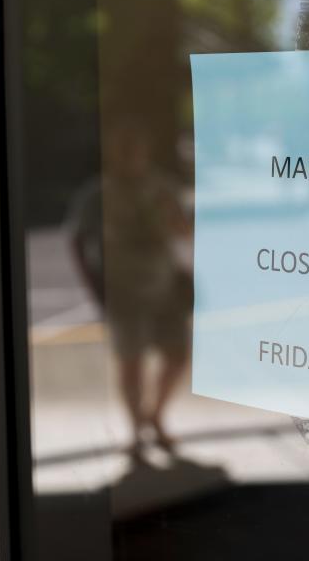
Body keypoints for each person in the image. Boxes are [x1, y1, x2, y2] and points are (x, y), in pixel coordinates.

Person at [69, 121, 193, 463]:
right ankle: (137, 429)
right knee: (131, 363)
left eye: (134, 148)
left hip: (163, 285)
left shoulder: (162, 188)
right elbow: (77, 239)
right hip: (123, 290)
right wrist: (95, 284)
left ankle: (155, 413)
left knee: (178, 354)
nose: (130, 157)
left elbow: (186, 233)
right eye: (123, 150)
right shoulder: (99, 194)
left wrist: (174, 216)